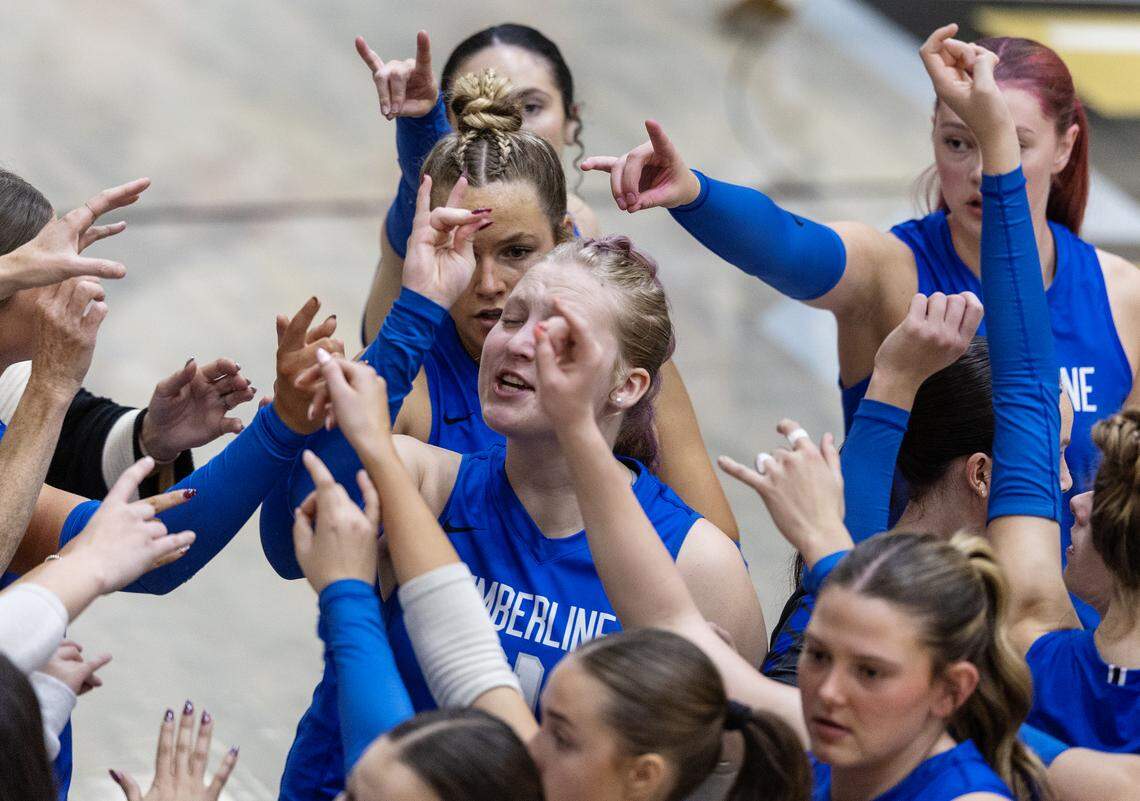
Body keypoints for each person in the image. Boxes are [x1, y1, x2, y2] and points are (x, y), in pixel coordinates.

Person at [582, 23, 1140, 571]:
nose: (977, 170)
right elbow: (791, 246)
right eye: (955, 142)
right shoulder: (889, 270)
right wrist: (696, 193)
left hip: (1055, 634)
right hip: (908, 613)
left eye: (1008, 145)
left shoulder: (1122, 296)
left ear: (1066, 147)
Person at [266, 231, 763, 799]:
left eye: (561, 336)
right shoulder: (422, 482)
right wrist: (295, 415)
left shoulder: (698, 565)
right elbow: (286, 545)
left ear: (628, 386)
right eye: (511, 318)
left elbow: (724, 777)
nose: (521, 344)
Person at [531, 287, 1042, 798]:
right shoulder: (828, 734)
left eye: (870, 671)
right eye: (817, 655)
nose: (828, 692)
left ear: (950, 691)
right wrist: (577, 426)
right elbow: (666, 616)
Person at [287, 353, 808, 801]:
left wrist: (348, 597)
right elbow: (471, 664)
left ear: (643, 776)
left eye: (559, 734)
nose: (525, 740)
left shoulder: (702, 556)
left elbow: (387, 764)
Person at [343, 45, 738, 536]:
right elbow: (294, 549)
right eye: (465, 252)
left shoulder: (624, 354)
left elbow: (718, 553)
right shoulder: (413, 380)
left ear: (563, 236)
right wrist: (420, 128)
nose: (489, 286)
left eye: (516, 252)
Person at [0, 170, 255, 500]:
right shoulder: (40, 380)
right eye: (51, 266)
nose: (80, 283)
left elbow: (73, 441)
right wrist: (279, 434)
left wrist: (150, 440)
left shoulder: (12, 376)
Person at [358, 23, 598, 343]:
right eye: (475, 104)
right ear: (448, 122)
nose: (507, 125)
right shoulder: (422, 227)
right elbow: (421, 195)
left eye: (530, 107)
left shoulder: (581, 219)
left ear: (572, 120)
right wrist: (421, 126)